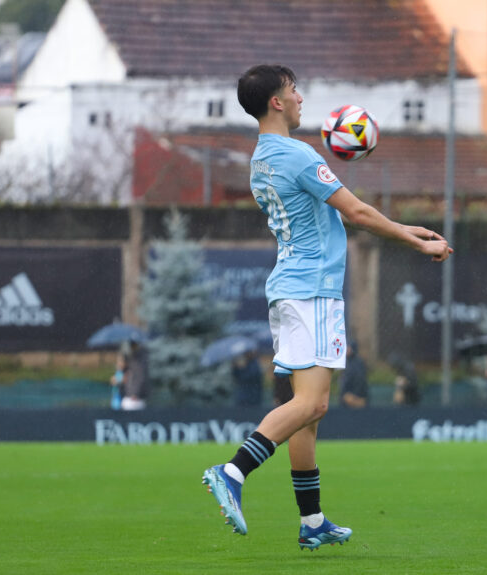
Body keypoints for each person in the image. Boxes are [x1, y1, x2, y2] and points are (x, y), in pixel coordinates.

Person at [202, 64, 451, 551]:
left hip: (291, 288)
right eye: (294, 90)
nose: (300, 98)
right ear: (276, 101)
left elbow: (341, 217)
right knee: (311, 402)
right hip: (312, 291)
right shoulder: (296, 154)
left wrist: (404, 229)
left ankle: (312, 521)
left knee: (305, 417)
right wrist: (414, 241)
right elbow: (354, 211)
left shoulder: (263, 158)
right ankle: (232, 472)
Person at [339, 341, 368, 409]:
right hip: (345, 396)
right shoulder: (345, 362)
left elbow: (360, 380)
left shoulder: (358, 363)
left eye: (348, 347)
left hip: (358, 396)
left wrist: (354, 395)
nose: (347, 350)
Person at [121, 340, 148, 411]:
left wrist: (135, 393)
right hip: (129, 395)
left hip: (134, 398)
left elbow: (140, 377)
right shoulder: (131, 360)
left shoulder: (137, 361)